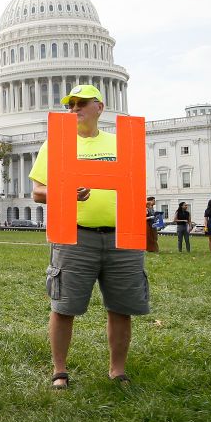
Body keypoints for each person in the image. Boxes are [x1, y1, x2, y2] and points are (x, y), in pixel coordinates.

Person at [30, 84, 150, 389]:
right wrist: (65, 192)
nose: (75, 109)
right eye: (71, 105)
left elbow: (135, 184)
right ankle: (59, 371)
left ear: (100, 107)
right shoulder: (56, 144)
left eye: (82, 103)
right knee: (64, 305)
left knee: (121, 307)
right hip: (75, 235)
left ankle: (117, 370)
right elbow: (37, 192)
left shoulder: (120, 143)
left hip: (121, 235)